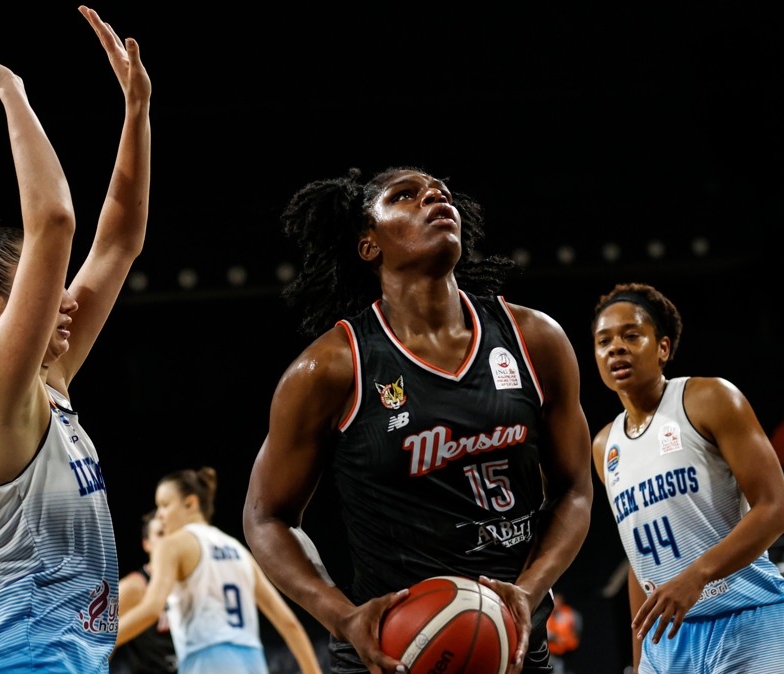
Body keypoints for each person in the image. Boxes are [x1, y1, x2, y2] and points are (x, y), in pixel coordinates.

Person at [243, 168, 594, 674]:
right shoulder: (332, 367)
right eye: (405, 196)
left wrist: (529, 589)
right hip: (390, 651)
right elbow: (266, 517)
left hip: (513, 646)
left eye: (440, 192)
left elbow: (575, 489)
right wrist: (341, 616)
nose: (433, 195)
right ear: (369, 244)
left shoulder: (535, 339)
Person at [0, 7, 150, 671]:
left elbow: (119, 241)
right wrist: (9, 87)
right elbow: (54, 219)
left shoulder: (48, 386)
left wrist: (137, 110)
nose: (68, 298)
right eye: (45, 286)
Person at [589, 283, 784, 673]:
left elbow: (777, 508)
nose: (615, 348)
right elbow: (638, 561)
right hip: (668, 640)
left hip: (748, 618)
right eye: (604, 341)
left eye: (631, 336)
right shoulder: (604, 446)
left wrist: (696, 576)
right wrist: (640, 659)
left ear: (663, 347)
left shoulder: (710, 398)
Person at [116, 468, 321, 674]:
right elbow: (289, 623)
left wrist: (100, 641)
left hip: (206, 661)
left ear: (190, 504)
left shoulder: (172, 544)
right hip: (254, 662)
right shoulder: (240, 551)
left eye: (164, 505)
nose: (159, 515)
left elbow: (152, 609)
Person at [112, 512, 178, 674]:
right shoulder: (134, 586)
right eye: (160, 534)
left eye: (172, 533)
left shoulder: (188, 582)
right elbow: (98, 646)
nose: (167, 540)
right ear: (146, 544)